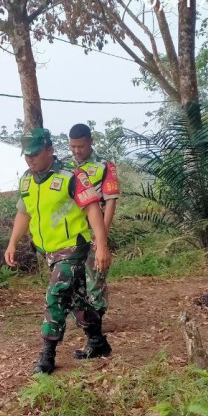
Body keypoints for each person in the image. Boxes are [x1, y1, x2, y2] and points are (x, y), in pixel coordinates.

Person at [4, 128, 112, 375]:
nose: (29, 159)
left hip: (74, 246)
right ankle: (98, 342)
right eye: (26, 155)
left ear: (50, 151)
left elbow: (93, 209)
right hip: (50, 250)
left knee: (56, 295)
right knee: (77, 301)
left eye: (35, 153)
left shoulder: (72, 176)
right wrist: (12, 243)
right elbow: (24, 212)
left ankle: (47, 356)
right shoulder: (27, 179)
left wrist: (101, 244)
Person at [64, 124, 121, 358]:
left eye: (81, 146)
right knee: (74, 284)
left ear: (91, 141)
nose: (76, 151)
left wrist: (101, 239)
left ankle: (96, 335)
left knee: (94, 282)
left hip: (93, 235)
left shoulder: (104, 167)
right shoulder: (65, 168)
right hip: (71, 238)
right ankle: (88, 324)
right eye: (72, 146)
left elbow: (109, 203)